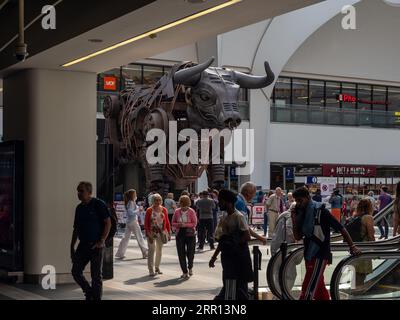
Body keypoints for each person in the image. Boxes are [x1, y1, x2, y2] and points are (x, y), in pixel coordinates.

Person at [291, 186, 361, 300]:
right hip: (308, 253)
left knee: (308, 287)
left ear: (308, 197)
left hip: (319, 254)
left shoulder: (321, 211)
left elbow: (341, 228)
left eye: (300, 200)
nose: (299, 203)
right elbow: (298, 236)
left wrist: (352, 246)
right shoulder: (301, 213)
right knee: (319, 288)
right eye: (297, 201)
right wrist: (294, 219)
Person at [209, 189, 254, 300]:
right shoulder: (224, 217)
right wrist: (213, 257)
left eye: (220, 201)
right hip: (228, 259)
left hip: (238, 259)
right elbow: (222, 240)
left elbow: (247, 236)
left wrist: (232, 242)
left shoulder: (238, 216)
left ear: (228, 201)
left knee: (240, 288)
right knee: (229, 285)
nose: (218, 203)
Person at [71, 181, 111, 300]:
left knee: (96, 276)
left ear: (89, 192)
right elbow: (76, 229)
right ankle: (89, 293)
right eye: (78, 191)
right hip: (83, 245)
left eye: (81, 191)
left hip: (96, 246)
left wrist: (102, 240)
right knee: (76, 271)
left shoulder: (98, 204)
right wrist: (71, 247)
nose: (79, 193)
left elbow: (107, 222)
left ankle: (95, 297)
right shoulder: (79, 208)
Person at [346, 199, 375, 286]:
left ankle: (354, 291)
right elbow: (371, 236)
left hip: (355, 247)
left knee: (356, 274)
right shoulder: (368, 217)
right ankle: (357, 293)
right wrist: (374, 249)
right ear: (369, 207)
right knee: (361, 275)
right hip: (363, 248)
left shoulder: (355, 216)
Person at [115, 189, 148, 259]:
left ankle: (120, 253)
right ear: (132, 195)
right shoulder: (131, 202)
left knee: (126, 238)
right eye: (135, 194)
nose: (136, 195)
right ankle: (145, 252)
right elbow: (131, 212)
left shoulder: (129, 202)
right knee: (139, 237)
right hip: (133, 221)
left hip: (129, 222)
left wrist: (138, 209)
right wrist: (138, 209)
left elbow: (130, 212)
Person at [144, 193, 171, 276]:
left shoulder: (164, 210)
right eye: (156, 200)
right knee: (151, 250)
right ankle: (150, 269)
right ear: (152, 201)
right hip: (151, 232)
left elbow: (167, 222)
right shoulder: (149, 210)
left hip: (161, 232)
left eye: (159, 200)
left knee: (159, 251)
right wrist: (148, 232)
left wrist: (169, 232)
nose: (158, 202)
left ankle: (157, 267)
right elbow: (146, 223)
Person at [172, 195, 198, 279]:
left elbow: (194, 223)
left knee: (190, 252)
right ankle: (184, 271)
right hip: (180, 233)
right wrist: (179, 225)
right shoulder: (177, 211)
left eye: (185, 205)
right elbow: (173, 222)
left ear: (188, 204)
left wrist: (186, 224)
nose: (183, 207)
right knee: (181, 253)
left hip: (190, 233)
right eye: (182, 205)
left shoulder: (191, 211)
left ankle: (190, 267)